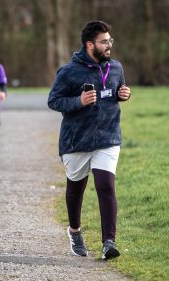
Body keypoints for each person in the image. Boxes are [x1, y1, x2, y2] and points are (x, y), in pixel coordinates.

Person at [48, 21, 131, 260]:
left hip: (108, 136)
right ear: (89, 44)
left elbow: (115, 91)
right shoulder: (68, 72)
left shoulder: (115, 67)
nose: (109, 45)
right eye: (104, 41)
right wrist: (78, 102)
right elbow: (54, 101)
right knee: (76, 188)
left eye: (110, 41)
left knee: (106, 185)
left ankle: (109, 243)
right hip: (77, 141)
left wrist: (122, 94)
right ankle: (74, 231)